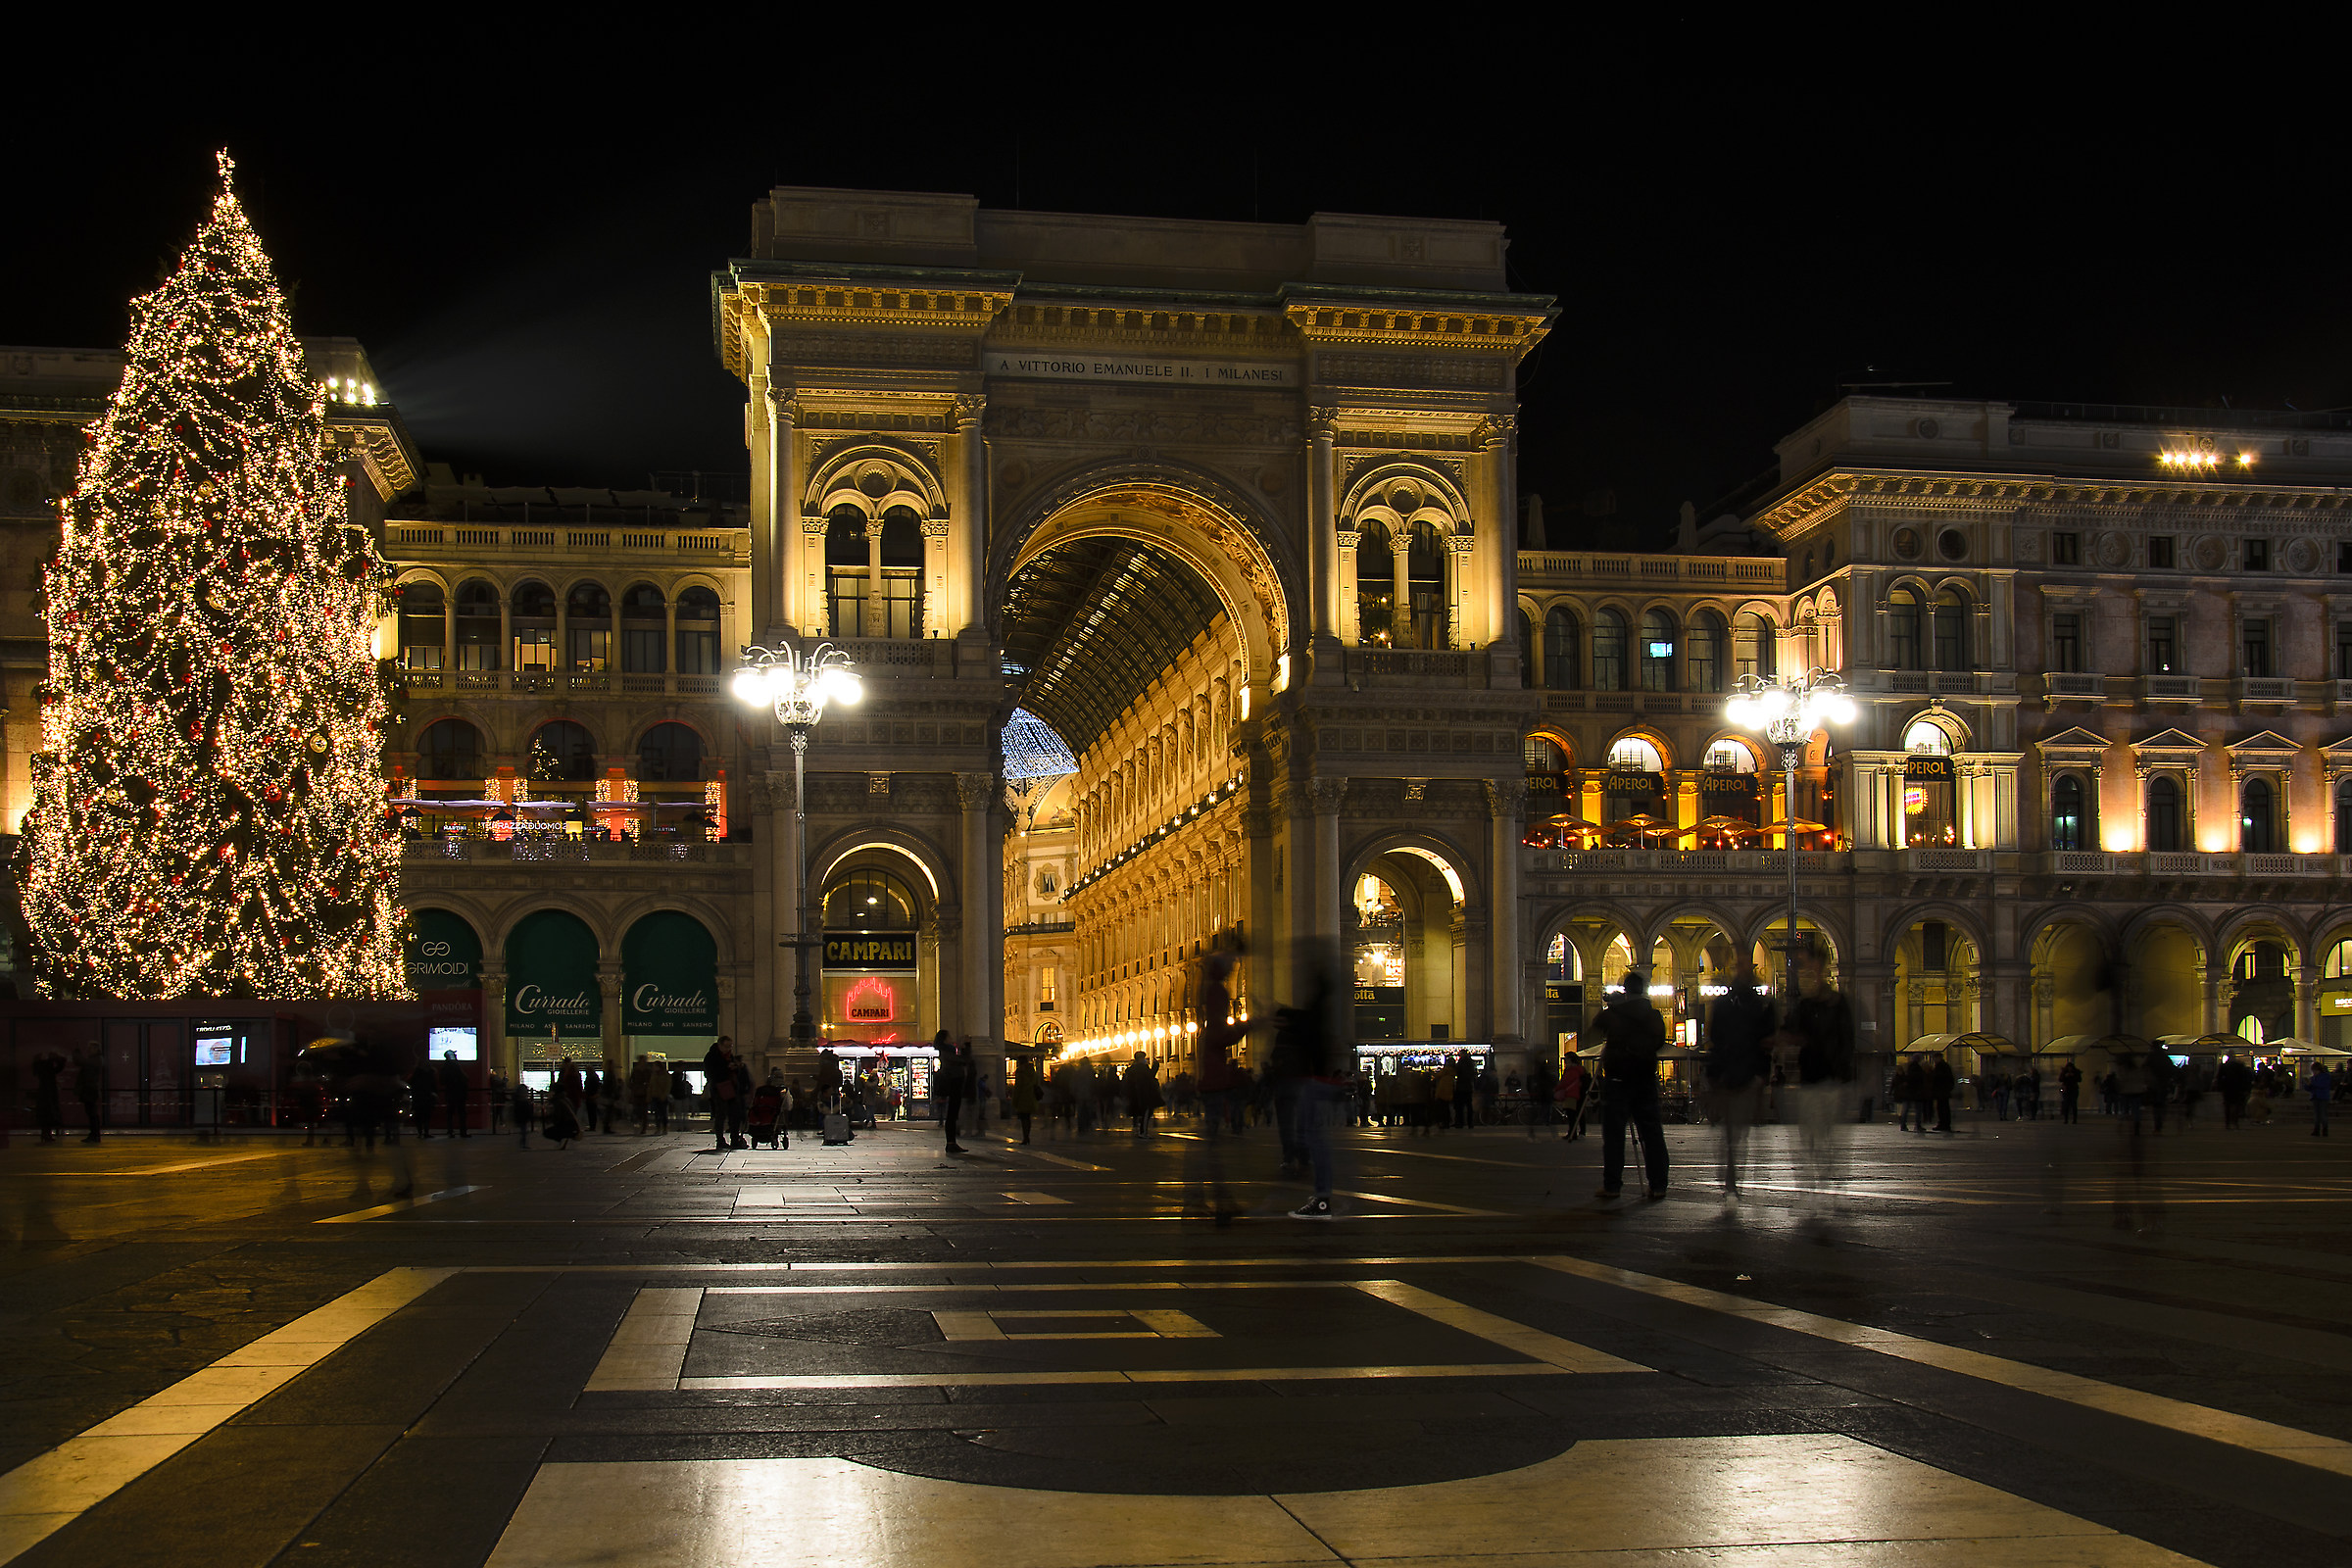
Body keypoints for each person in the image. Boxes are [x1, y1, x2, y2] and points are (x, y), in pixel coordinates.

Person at [1704, 952, 1776, 1204]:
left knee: (1736, 1132)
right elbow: (1716, 1040)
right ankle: (1730, 1180)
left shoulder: (1758, 1005)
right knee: (1732, 1133)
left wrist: (1761, 1076)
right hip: (1728, 1075)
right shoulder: (1747, 1004)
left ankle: (1732, 1181)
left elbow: (1766, 1043)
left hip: (1744, 1076)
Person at [1593, 968, 1669, 1201]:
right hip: (1645, 1078)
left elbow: (1596, 1026)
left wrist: (1613, 1006)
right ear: (1644, 990)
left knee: (1615, 1134)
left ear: (1626, 990)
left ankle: (1612, 1185)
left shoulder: (1614, 1013)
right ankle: (1658, 1185)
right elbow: (1659, 1042)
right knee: (1652, 1132)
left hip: (1618, 1080)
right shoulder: (1653, 1015)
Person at [1788, 944, 1857, 1199]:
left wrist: (1842, 1073)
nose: (1807, 973)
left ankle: (1830, 1185)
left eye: (1809, 966)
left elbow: (1847, 1041)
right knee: (1810, 1136)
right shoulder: (1806, 1007)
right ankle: (1818, 1186)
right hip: (1811, 1079)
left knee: (1827, 1135)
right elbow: (1791, 1031)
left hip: (1830, 1080)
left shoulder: (1837, 1004)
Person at [1280, 956, 1343, 1220]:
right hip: (1318, 1079)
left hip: (1317, 1080)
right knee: (1311, 1136)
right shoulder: (1322, 1003)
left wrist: (1285, 1016)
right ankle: (1322, 1196)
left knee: (1314, 1139)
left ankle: (1323, 1200)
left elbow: (1308, 1030)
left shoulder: (1317, 1005)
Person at [702, 1038, 739, 1152]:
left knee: (734, 1114)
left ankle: (734, 1139)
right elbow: (710, 1073)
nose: (729, 1048)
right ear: (720, 1045)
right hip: (719, 1088)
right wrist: (727, 1068)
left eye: (731, 1046)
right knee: (721, 1114)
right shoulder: (711, 1056)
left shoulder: (729, 1056)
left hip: (731, 1087)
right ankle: (720, 1140)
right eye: (727, 1046)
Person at [940, 1033, 974, 1153]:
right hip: (954, 1083)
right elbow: (965, 1060)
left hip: (955, 1083)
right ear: (944, 1040)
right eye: (949, 1036)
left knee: (953, 1114)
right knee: (952, 1114)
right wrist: (967, 1045)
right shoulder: (946, 1052)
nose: (951, 1038)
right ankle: (950, 1143)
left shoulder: (948, 1051)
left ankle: (952, 1142)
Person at [32, 1051, 68, 1144]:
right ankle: (47, 1134)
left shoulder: (40, 1069)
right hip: (50, 1094)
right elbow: (59, 1068)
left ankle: (45, 1134)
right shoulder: (50, 1070)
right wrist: (58, 1059)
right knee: (50, 1114)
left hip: (43, 1094)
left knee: (44, 1116)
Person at [1125, 1053, 1161, 1137]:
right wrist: (1156, 1066)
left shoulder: (1132, 1069)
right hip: (1144, 1094)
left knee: (1139, 1113)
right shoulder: (1142, 1068)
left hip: (1135, 1094)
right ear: (1140, 1059)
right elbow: (1150, 1076)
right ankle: (1143, 1132)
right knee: (1146, 1113)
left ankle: (1140, 1130)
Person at [437, 1051, 470, 1138]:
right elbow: (465, 1078)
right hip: (459, 1093)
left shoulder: (445, 1067)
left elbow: (442, 1080)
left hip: (450, 1093)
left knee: (450, 1114)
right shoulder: (456, 1066)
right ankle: (462, 1132)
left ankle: (450, 1131)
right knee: (461, 1113)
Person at [1555, 1052, 1588, 1140]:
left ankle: (1572, 1133)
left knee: (1571, 1114)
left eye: (1566, 1059)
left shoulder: (1571, 1070)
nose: (1565, 1061)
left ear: (1570, 1059)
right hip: (1580, 1094)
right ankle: (1582, 1132)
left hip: (1571, 1094)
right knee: (1579, 1113)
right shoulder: (1581, 1069)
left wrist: (1557, 1089)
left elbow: (1565, 1082)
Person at [1524, 1053, 1555, 1139]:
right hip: (1546, 1095)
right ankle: (1546, 1126)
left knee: (1543, 1111)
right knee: (1545, 1111)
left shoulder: (1537, 1075)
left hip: (1542, 1095)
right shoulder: (1547, 1075)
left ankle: (1537, 1128)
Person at [2216, 1054, 2252, 1129]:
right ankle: (2235, 1122)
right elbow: (2244, 1078)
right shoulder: (2239, 1066)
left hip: (2227, 1088)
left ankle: (2228, 1123)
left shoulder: (2224, 1066)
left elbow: (2219, 1077)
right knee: (2236, 1105)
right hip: (2237, 1088)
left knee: (2227, 1106)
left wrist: (2220, 1087)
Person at [1010, 1055, 1042, 1145]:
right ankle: (1027, 1136)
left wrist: (1015, 1100)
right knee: (1027, 1118)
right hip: (1031, 1098)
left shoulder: (1021, 1072)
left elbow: (1018, 1087)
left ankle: (1025, 1137)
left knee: (1024, 1119)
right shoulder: (1033, 1072)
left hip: (1022, 1098)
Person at [407, 1059, 438, 1140]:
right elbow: (433, 1085)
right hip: (427, 1096)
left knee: (418, 1116)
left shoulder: (416, 1073)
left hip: (418, 1097)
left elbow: (410, 1083)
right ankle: (426, 1132)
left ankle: (420, 1132)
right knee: (427, 1115)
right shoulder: (431, 1073)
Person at [1930, 1054, 1956, 1135]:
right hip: (1943, 1091)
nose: (1934, 1060)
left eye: (1935, 1058)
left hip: (1941, 1091)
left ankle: (1944, 1124)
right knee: (1943, 1107)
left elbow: (1939, 1078)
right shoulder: (1944, 1066)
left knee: (1942, 1108)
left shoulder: (1941, 1066)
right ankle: (1944, 1124)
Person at [510, 1077, 536, 1150]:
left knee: (523, 1131)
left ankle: (522, 1144)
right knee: (523, 1131)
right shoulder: (524, 1102)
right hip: (523, 1118)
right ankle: (522, 1144)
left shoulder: (518, 1102)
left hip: (521, 1118)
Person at [2311, 1061, 2334, 1137]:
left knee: (2322, 1114)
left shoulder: (2325, 1076)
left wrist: (2312, 1084)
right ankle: (2317, 1129)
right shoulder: (2314, 1077)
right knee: (2317, 1114)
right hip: (2316, 1096)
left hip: (2322, 1096)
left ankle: (2324, 1130)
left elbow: (2322, 1085)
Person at [2059, 1059, 2083, 1123]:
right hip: (2066, 1089)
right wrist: (2065, 1076)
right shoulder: (2064, 1072)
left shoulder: (2076, 1072)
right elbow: (2060, 1079)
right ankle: (2066, 1119)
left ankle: (2074, 1119)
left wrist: (2073, 1076)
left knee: (2073, 1104)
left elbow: (2079, 1079)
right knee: (2066, 1105)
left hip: (2073, 1089)